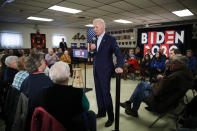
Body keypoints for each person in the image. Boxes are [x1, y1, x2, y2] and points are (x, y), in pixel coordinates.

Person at [120, 54, 193, 117]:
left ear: (180, 63)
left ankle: (132, 108)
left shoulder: (176, 76)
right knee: (141, 84)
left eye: (173, 62)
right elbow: (167, 83)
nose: (171, 64)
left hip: (160, 102)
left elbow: (157, 92)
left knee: (140, 90)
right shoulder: (185, 73)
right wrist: (167, 70)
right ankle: (129, 104)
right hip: (168, 100)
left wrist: (153, 85)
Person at [39, 61, 96, 131]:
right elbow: (86, 107)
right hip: (74, 126)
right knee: (91, 114)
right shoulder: (78, 92)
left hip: (53, 126)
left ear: (51, 76)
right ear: (68, 75)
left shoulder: (44, 92)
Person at [90, 18, 124, 127]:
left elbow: (118, 53)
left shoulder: (110, 39)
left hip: (105, 71)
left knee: (105, 94)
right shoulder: (94, 38)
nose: (94, 29)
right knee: (98, 93)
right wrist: (92, 50)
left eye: (96, 27)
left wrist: (119, 66)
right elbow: (93, 55)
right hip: (96, 70)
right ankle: (101, 112)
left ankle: (111, 117)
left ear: (103, 27)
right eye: (93, 27)